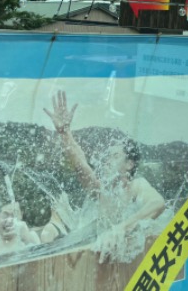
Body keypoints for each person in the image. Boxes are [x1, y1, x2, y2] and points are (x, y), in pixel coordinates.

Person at [43, 89, 166, 261]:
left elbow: (157, 203)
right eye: (107, 156)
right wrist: (65, 133)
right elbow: (81, 166)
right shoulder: (102, 192)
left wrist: (120, 229)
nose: (107, 160)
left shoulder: (136, 186)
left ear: (129, 164)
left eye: (115, 156)